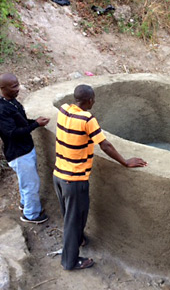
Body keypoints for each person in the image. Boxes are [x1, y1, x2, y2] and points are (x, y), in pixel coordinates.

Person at [53, 84, 147, 271]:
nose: (94, 102)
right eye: (93, 99)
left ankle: (78, 239)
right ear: (88, 101)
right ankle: (69, 261)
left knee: (70, 215)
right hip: (75, 179)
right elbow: (105, 146)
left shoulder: (64, 109)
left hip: (58, 174)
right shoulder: (88, 119)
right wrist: (125, 162)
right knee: (73, 220)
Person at [0, 72, 50, 223]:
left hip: (25, 149)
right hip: (19, 153)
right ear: (3, 88)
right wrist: (36, 124)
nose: (18, 88)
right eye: (14, 86)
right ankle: (31, 215)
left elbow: (22, 123)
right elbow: (12, 133)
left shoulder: (12, 102)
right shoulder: (2, 109)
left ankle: (26, 205)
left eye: (18, 84)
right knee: (31, 184)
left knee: (27, 182)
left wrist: (35, 122)